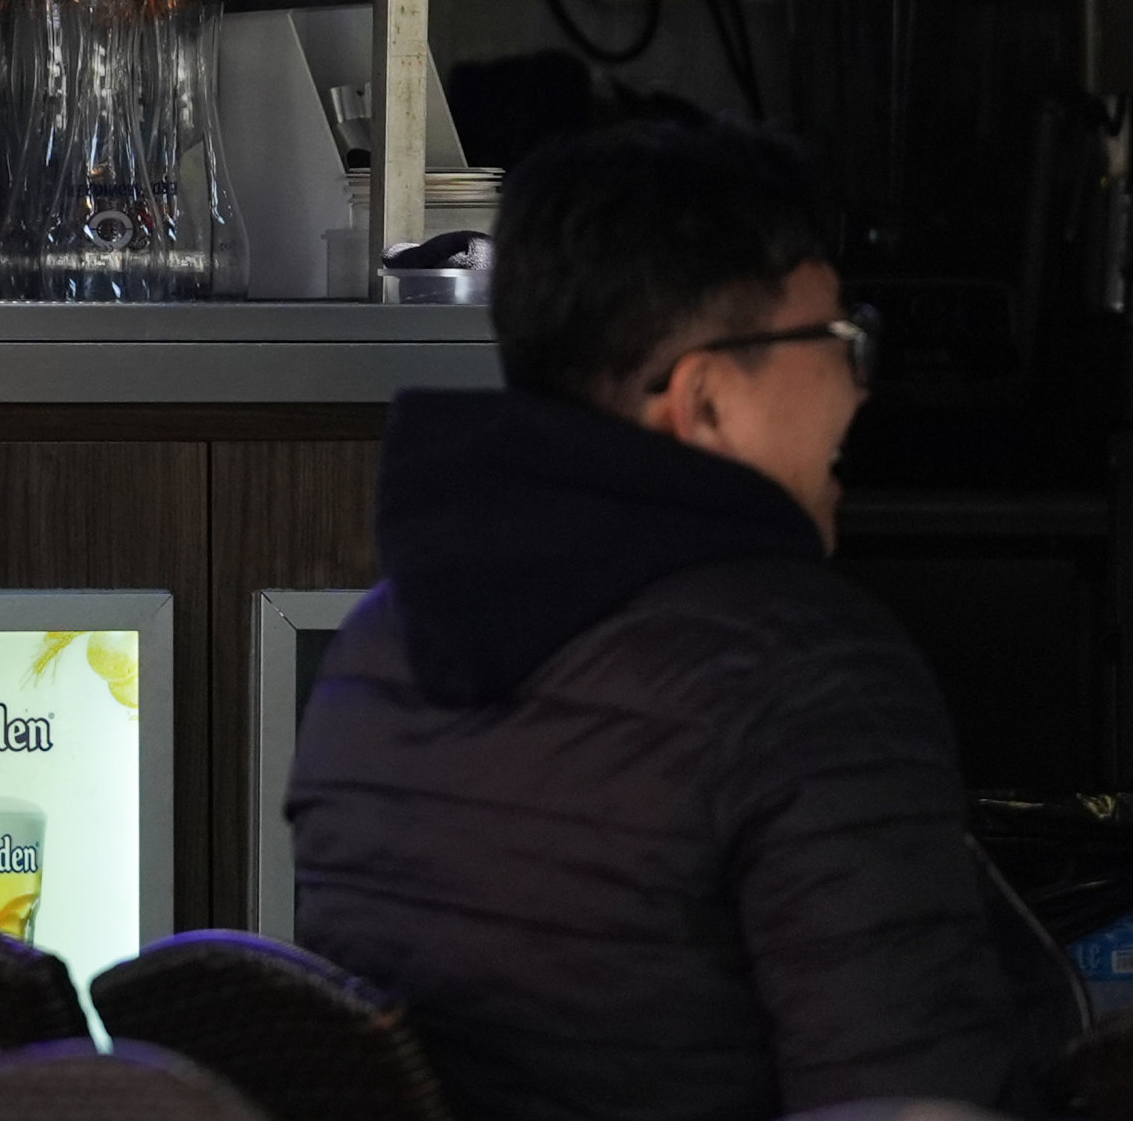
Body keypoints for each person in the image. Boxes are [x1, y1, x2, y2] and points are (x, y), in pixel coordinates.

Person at [285, 121, 1076, 1121]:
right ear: (703, 400)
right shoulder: (804, 667)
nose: (859, 383)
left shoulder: (377, 646)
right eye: (836, 342)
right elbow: (907, 1100)